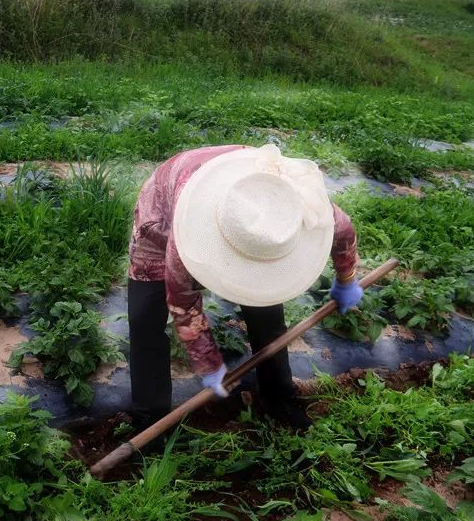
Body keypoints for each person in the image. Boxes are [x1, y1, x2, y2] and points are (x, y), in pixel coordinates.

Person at [128, 144, 362, 437]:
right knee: (145, 316)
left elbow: (343, 233)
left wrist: (347, 279)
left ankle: (279, 398)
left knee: (265, 304)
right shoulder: (179, 233)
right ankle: (149, 419)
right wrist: (209, 362)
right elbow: (183, 301)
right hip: (166, 210)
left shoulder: (296, 205)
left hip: (247, 191)